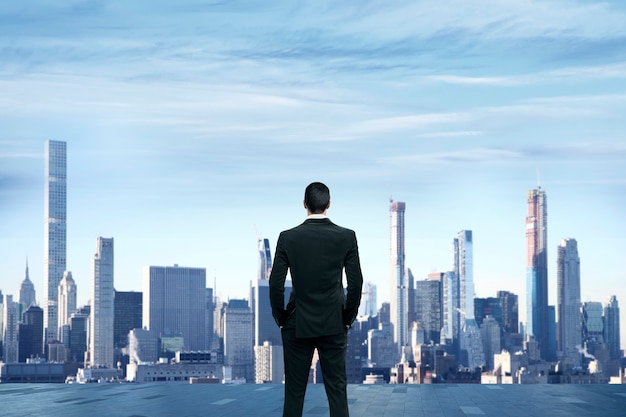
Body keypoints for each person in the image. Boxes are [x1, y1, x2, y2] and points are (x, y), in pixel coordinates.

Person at [269, 182, 364, 417]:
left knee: (294, 394)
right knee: (337, 393)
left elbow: (275, 283)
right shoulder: (347, 237)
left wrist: (281, 317)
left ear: (304, 205)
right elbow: (356, 283)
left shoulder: (287, 238)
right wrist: (348, 318)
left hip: (297, 323)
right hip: (334, 323)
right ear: (328, 205)